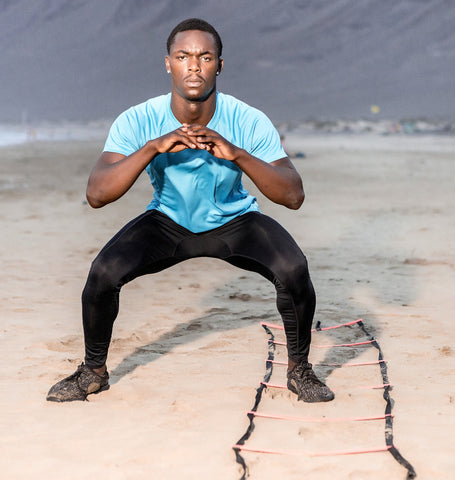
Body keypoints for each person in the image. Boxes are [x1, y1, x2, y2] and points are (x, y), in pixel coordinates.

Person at [46, 18, 334, 404]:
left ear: (219, 64)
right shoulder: (139, 119)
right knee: (103, 272)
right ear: (168, 63)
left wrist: (238, 154)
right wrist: (152, 147)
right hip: (168, 222)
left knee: (293, 268)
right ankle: (93, 372)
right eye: (183, 56)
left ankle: (300, 370)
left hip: (235, 220)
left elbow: (293, 195)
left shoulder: (247, 119)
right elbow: (97, 194)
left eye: (205, 56)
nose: (194, 66)